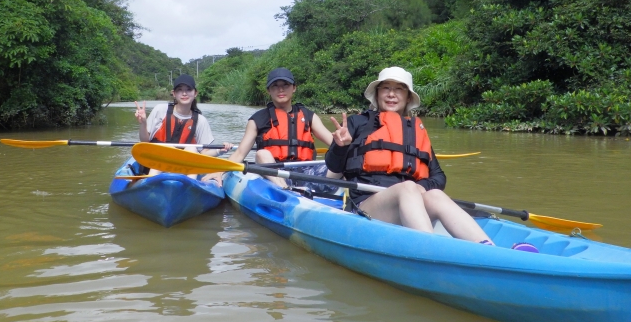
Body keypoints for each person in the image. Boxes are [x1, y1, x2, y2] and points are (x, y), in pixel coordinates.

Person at [325, 66, 495, 245]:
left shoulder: (415, 131)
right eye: (386, 88)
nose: (392, 94)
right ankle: (431, 249)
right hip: (367, 205)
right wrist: (340, 146)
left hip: (411, 201)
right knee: (407, 188)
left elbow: (438, 177)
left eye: (399, 89)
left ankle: (487, 247)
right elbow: (334, 167)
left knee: (435, 194)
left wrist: (420, 187)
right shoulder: (357, 123)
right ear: (377, 94)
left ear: (407, 97)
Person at [204, 67, 333, 187]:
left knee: (342, 160)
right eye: (275, 86)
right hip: (275, 171)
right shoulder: (258, 119)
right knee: (262, 154)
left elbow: (334, 144)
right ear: (268, 90)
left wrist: (345, 142)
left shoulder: (309, 116)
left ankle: (349, 195)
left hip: (307, 171)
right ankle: (285, 190)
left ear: (294, 88)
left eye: (285, 85)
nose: (281, 90)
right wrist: (220, 171)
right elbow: (240, 153)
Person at [135, 74, 233, 179]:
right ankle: (150, 181)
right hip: (155, 164)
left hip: (183, 171)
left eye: (188, 89)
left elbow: (203, 154)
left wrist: (219, 150)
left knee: (192, 148)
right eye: (180, 90)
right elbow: (145, 141)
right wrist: (143, 123)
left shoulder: (200, 121)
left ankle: (191, 184)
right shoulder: (160, 110)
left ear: (195, 93)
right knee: (168, 148)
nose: (184, 93)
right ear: (174, 93)